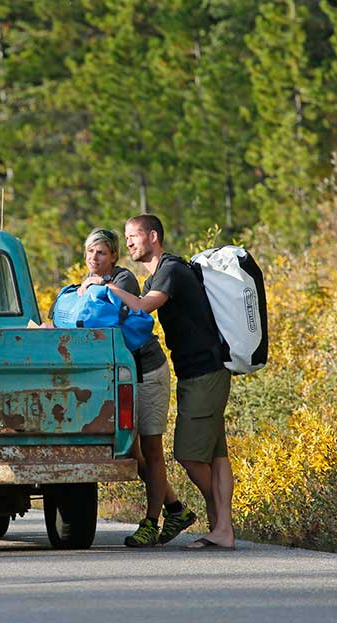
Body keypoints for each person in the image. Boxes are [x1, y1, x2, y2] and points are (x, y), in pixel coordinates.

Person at [112, 214, 235, 550]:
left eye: (134, 236)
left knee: (188, 454)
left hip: (204, 372)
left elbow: (141, 307)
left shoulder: (169, 271)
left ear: (153, 236)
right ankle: (221, 528)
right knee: (216, 455)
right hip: (201, 371)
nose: (129, 243)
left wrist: (106, 287)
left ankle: (222, 523)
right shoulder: (160, 274)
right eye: (126, 238)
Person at [76, 228, 196, 548]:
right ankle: (176, 509)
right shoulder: (89, 282)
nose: (93, 258)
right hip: (121, 376)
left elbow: (109, 314)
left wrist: (93, 289)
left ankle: (150, 523)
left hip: (147, 371)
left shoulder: (122, 279)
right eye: (89, 252)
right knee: (130, 448)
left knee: (152, 451)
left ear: (113, 256)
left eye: (101, 252)